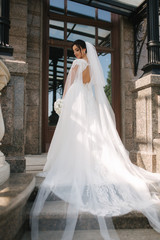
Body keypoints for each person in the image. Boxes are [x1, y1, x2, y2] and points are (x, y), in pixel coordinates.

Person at [31, 40, 160, 240]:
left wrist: (62, 102)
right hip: (87, 100)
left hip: (76, 98)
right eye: (74, 51)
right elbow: (89, 84)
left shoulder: (77, 64)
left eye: (77, 50)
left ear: (83, 50)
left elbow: (70, 84)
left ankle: (74, 161)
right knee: (89, 131)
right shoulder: (91, 65)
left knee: (76, 133)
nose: (75, 54)